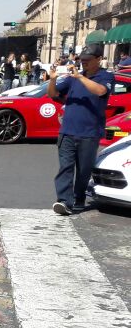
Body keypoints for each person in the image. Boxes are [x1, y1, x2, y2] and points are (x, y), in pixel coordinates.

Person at [47, 43, 114, 215]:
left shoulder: (105, 76)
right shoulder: (73, 78)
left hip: (89, 133)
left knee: (84, 171)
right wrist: (53, 78)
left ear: (99, 59)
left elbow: (100, 91)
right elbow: (53, 94)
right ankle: (64, 201)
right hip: (68, 131)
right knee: (65, 167)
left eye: (88, 60)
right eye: (82, 60)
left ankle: (79, 198)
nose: (84, 63)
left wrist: (80, 78)